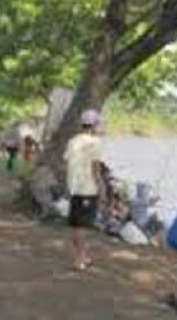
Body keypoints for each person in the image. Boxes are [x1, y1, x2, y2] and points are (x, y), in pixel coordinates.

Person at [64, 109, 104, 271]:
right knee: (82, 227)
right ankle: (78, 260)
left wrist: (68, 185)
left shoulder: (72, 141)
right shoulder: (95, 142)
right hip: (88, 189)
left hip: (74, 188)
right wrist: (102, 188)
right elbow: (95, 169)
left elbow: (67, 164)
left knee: (77, 225)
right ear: (94, 124)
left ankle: (83, 256)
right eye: (97, 124)